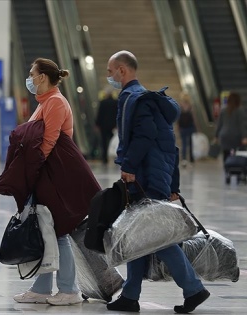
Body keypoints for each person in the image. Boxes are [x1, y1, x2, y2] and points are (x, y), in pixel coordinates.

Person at [105, 50, 209, 313]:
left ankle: (193, 289)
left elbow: (145, 136)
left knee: (156, 238)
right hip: (156, 175)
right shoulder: (148, 100)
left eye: (110, 71)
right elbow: (170, 146)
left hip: (144, 178)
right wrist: (172, 184)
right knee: (139, 235)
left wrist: (128, 167)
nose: (109, 76)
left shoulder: (133, 98)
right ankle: (130, 296)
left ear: (122, 70)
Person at [0, 58, 101, 306]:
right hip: (46, 174)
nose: (29, 78)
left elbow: (48, 141)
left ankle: (69, 289)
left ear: (42, 77)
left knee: (59, 231)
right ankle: (41, 288)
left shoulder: (55, 102)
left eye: (32, 74)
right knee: (45, 229)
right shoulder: (45, 103)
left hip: (55, 175)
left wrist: (31, 170)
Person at [215, 92, 247, 165]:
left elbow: (219, 124)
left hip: (224, 136)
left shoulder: (223, 110)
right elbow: (242, 125)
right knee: (239, 153)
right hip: (236, 137)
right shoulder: (240, 110)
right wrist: (244, 137)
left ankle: (227, 169)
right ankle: (237, 168)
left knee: (226, 154)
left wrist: (216, 135)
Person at [95, 85, 118, 165]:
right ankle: (115, 157)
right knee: (113, 142)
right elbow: (117, 114)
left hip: (103, 125)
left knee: (104, 142)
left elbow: (99, 114)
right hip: (112, 125)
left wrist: (97, 124)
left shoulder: (103, 102)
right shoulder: (115, 102)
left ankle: (104, 158)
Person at [178, 92, 196, 166]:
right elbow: (194, 118)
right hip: (190, 127)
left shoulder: (180, 106)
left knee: (184, 143)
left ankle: (184, 159)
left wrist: (178, 126)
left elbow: (178, 117)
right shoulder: (190, 106)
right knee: (191, 143)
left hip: (182, 128)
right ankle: (191, 159)